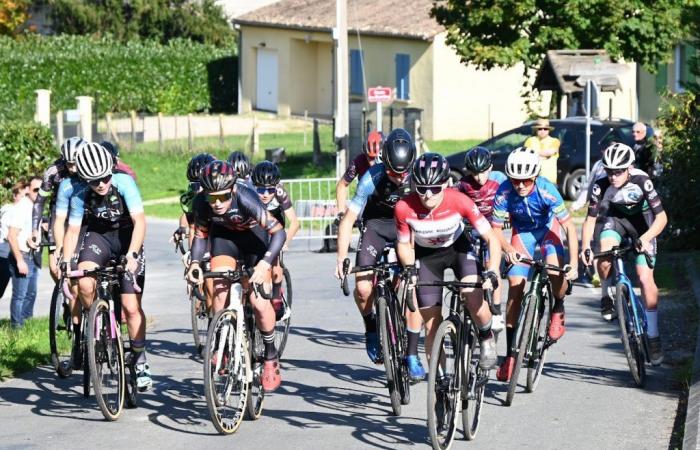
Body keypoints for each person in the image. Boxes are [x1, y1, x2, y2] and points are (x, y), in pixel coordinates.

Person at [396, 153, 502, 378]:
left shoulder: (459, 201)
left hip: (458, 250)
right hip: (427, 257)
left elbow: (491, 238)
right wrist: (409, 268)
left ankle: (485, 335)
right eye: (422, 187)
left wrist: (492, 269)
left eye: (434, 188)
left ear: (445, 184)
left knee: (471, 295)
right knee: (431, 324)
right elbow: (404, 244)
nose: (427, 194)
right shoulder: (404, 207)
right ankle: (442, 378)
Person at [185, 160, 287, 392]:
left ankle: (270, 355)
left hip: (255, 238)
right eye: (212, 198)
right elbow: (200, 237)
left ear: (232, 190)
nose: (217, 203)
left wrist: (265, 263)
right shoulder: (201, 203)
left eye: (222, 197)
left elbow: (278, 232)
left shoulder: (246, 198)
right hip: (225, 239)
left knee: (258, 302)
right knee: (218, 291)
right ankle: (225, 345)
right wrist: (194, 263)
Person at [61, 142, 151, 390]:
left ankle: (140, 361)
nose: (100, 184)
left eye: (104, 178)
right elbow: (73, 230)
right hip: (99, 237)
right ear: (84, 179)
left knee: (131, 307)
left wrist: (132, 254)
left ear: (111, 171)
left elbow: (140, 222)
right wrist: (67, 261)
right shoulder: (80, 192)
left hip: (126, 237)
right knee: (85, 280)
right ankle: (97, 324)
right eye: (93, 181)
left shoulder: (124, 183)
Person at [491, 147, 578, 382]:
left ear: (535, 176)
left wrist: (574, 263)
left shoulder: (547, 190)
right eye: (516, 180)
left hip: (548, 230)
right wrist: (508, 250)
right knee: (515, 285)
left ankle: (558, 306)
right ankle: (510, 355)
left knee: (553, 270)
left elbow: (569, 227)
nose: (520, 185)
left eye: (526, 180)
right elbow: (495, 230)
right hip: (523, 234)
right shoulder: (504, 192)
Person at [334, 128, 416, 367]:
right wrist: (341, 258)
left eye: (404, 173)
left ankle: (410, 348)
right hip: (377, 225)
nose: (400, 178)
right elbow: (348, 220)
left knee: (414, 285)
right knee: (362, 287)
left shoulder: (417, 176)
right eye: (393, 172)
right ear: (384, 164)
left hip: (407, 226)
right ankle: (371, 327)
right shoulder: (372, 177)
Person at [580, 143, 667, 364]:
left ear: (629, 168)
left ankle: (654, 336)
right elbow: (590, 220)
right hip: (615, 219)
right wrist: (585, 248)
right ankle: (606, 296)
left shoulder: (641, 180)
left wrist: (646, 239)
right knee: (605, 252)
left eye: (618, 171)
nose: (613, 176)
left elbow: (662, 218)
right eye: (609, 171)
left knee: (645, 277)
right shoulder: (601, 185)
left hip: (643, 223)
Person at [455, 146, 507, 331]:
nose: (479, 178)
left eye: (483, 172)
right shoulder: (463, 184)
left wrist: (508, 218)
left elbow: (511, 198)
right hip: (473, 228)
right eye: (474, 173)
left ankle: (497, 310)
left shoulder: (500, 179)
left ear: (490, 168)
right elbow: (454, 202)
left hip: (493, 227)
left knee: (491, 266)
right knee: (470, 267)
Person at [29, 136, 83, 282]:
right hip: (58, 212)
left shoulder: (88, 168)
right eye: (69, 164)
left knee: (76, 263)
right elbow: (40, 201)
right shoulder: (53, 171)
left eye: (75, 164)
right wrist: (35, 229)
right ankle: (63, 299)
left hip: (81, 213)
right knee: (54, 268)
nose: (73, 169)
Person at [251, 161, 299, 319]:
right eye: (260, 189)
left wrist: (285, 242)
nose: (265, 194)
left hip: (276, 222)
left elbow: (295, 223)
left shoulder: (279, 192)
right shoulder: (249, 191)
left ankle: (277, 296)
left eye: (269, 190)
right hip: (257, 221)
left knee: (275, 265)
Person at [7, 176, 42, 328]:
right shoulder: (23, 207)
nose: (39, 193)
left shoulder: (36, 207)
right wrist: (20, 260)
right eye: (35, 189)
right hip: (22, 255)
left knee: (31, 293)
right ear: (28, 190)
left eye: (42, 190)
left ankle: (27, 324)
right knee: (20, 295)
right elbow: (11, 235)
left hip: (33, 256)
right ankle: (16, 327)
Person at [335, 130, 383, 217]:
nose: (372, 163)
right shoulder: (359, 161)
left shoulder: (390, 161)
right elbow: (342, 185)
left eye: (375, 158)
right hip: (367, 203)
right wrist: (341, 214)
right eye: (369, 158)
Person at [0, 182, 27, 302]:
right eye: (22, 195)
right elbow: (8, 232)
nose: (24, 199)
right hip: (5, 248)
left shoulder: (24, 210)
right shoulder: (9, 209)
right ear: (15, 196)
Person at [524, 118, 560, 185]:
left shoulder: (555, 141)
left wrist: (534, 153)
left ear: (549, 130)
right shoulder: (530, 140)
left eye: (545, 129)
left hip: (550, 181)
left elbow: (549, 153)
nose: (542, 131)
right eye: (540, 129)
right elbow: (526, 155)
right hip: (533, 180)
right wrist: (542, 156)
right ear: (536, 130)